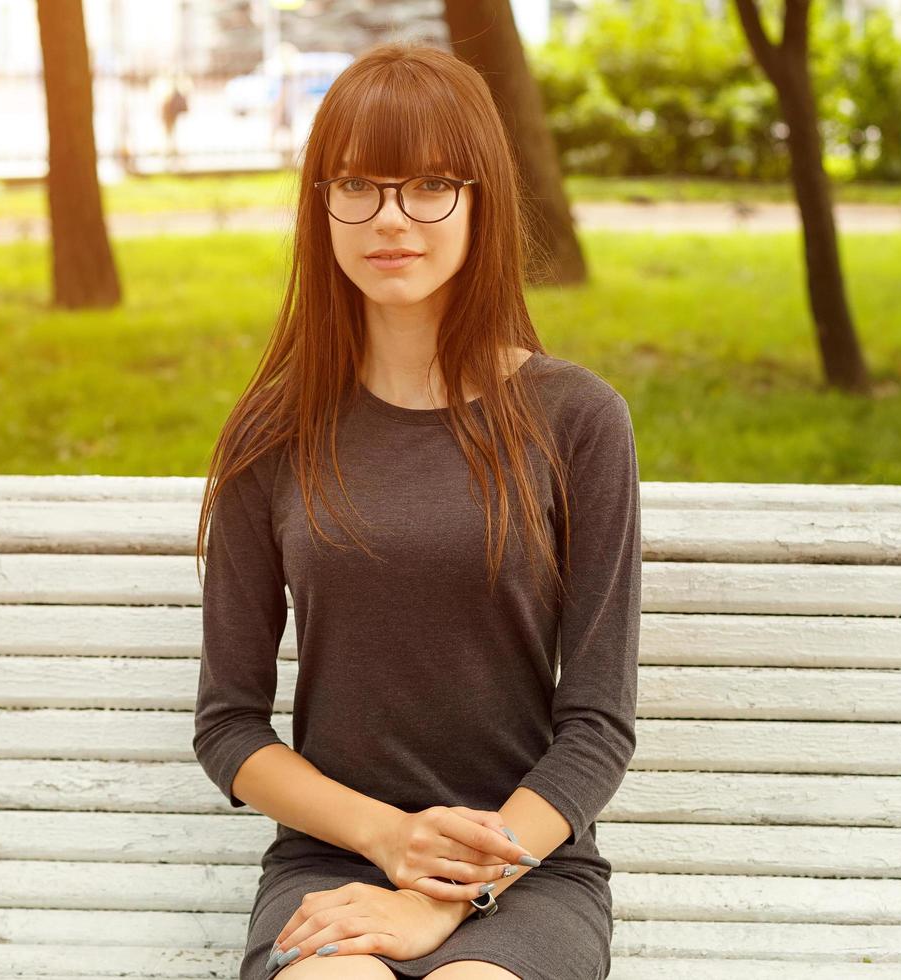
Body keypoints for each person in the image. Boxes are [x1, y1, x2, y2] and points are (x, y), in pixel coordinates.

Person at [192, 40, 641, 980]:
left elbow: (597, 724)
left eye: (431, 183)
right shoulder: (271, 433)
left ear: (482, 200)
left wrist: (447, 895)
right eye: (357, 183)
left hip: (526, 865)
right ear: (321, 205)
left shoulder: (578, 419)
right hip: (337, 856)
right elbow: (230, 726)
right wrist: (390, 843)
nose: (390, 217)